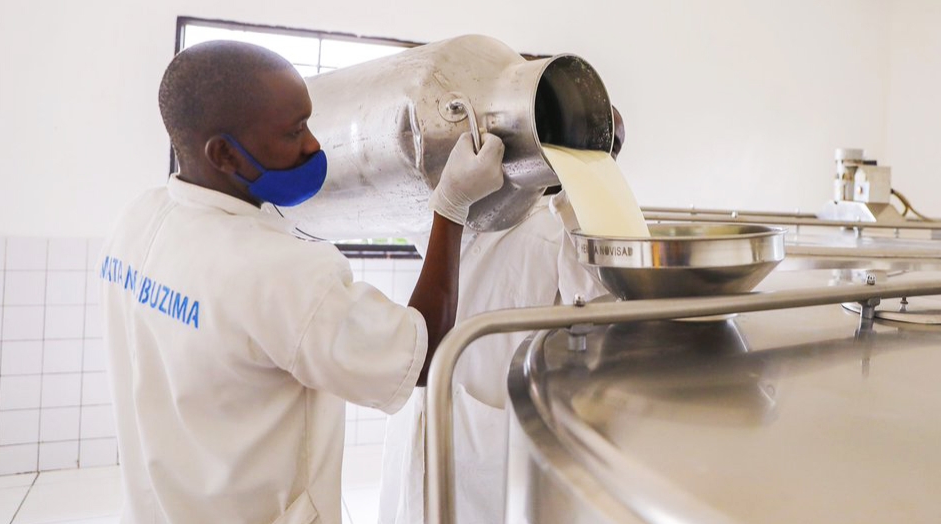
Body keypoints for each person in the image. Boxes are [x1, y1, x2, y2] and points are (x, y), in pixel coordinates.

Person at [98, 40, 505, 524]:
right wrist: (452, 206)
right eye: (294, 132)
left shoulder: (138, 217)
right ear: (224, 153)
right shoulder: (281, 271)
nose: (313, 144)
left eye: (310, 122)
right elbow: (420, 353)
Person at [377, 108, 626, 524]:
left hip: (488, 434)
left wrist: (578, 205)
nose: (604, 157)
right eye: (594, 142)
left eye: (611, 147)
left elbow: (601, 303)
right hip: (430, 410)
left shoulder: (567, 228)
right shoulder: (468, 202)